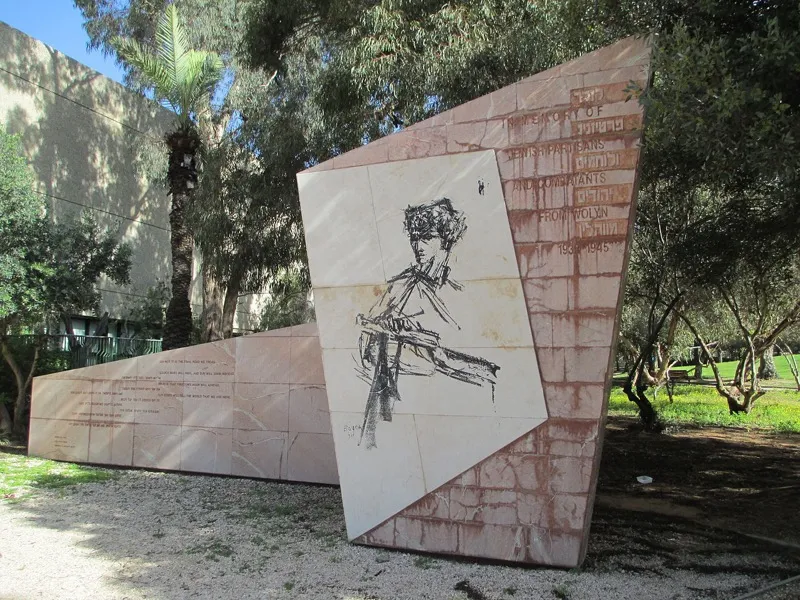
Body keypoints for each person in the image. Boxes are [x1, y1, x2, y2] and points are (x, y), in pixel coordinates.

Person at [355, 197, 500, 448]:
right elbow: (365, 343)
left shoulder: (463, 293)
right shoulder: (398, 289)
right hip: (399, 405)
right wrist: (388, 331)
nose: (418, 245)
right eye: (414, 237)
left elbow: (486, 359)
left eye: (427, 237)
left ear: (445, 241)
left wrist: (427, 340)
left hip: (456, 410)